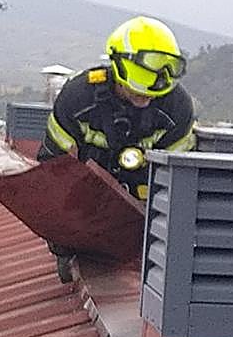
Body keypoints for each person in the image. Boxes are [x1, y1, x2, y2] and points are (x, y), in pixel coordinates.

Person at [38, 16, 196, 279]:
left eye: (150, 97)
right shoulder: (78, 99)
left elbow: (180, 186)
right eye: (137, 93)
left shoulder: (176, 108)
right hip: (79, 216)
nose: (144, 101)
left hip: (146, 224)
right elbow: (51, 171)